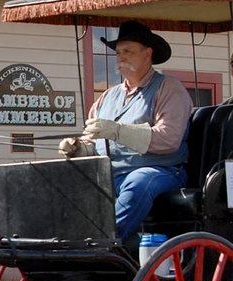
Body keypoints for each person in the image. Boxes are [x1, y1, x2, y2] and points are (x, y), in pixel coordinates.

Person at [59, 20, 193, 242]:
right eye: (118, 52)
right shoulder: (108, 97)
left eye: (128, 51)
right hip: (111, 173)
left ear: (147, 54)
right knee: (64, 178)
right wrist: (78, 148)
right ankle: (61, 240)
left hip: (163, 171)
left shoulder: (168, 88)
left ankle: (102, 242)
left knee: (139, 181)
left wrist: (118, 131)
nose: (121, 57)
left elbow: (169, 139)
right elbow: (93, 142)